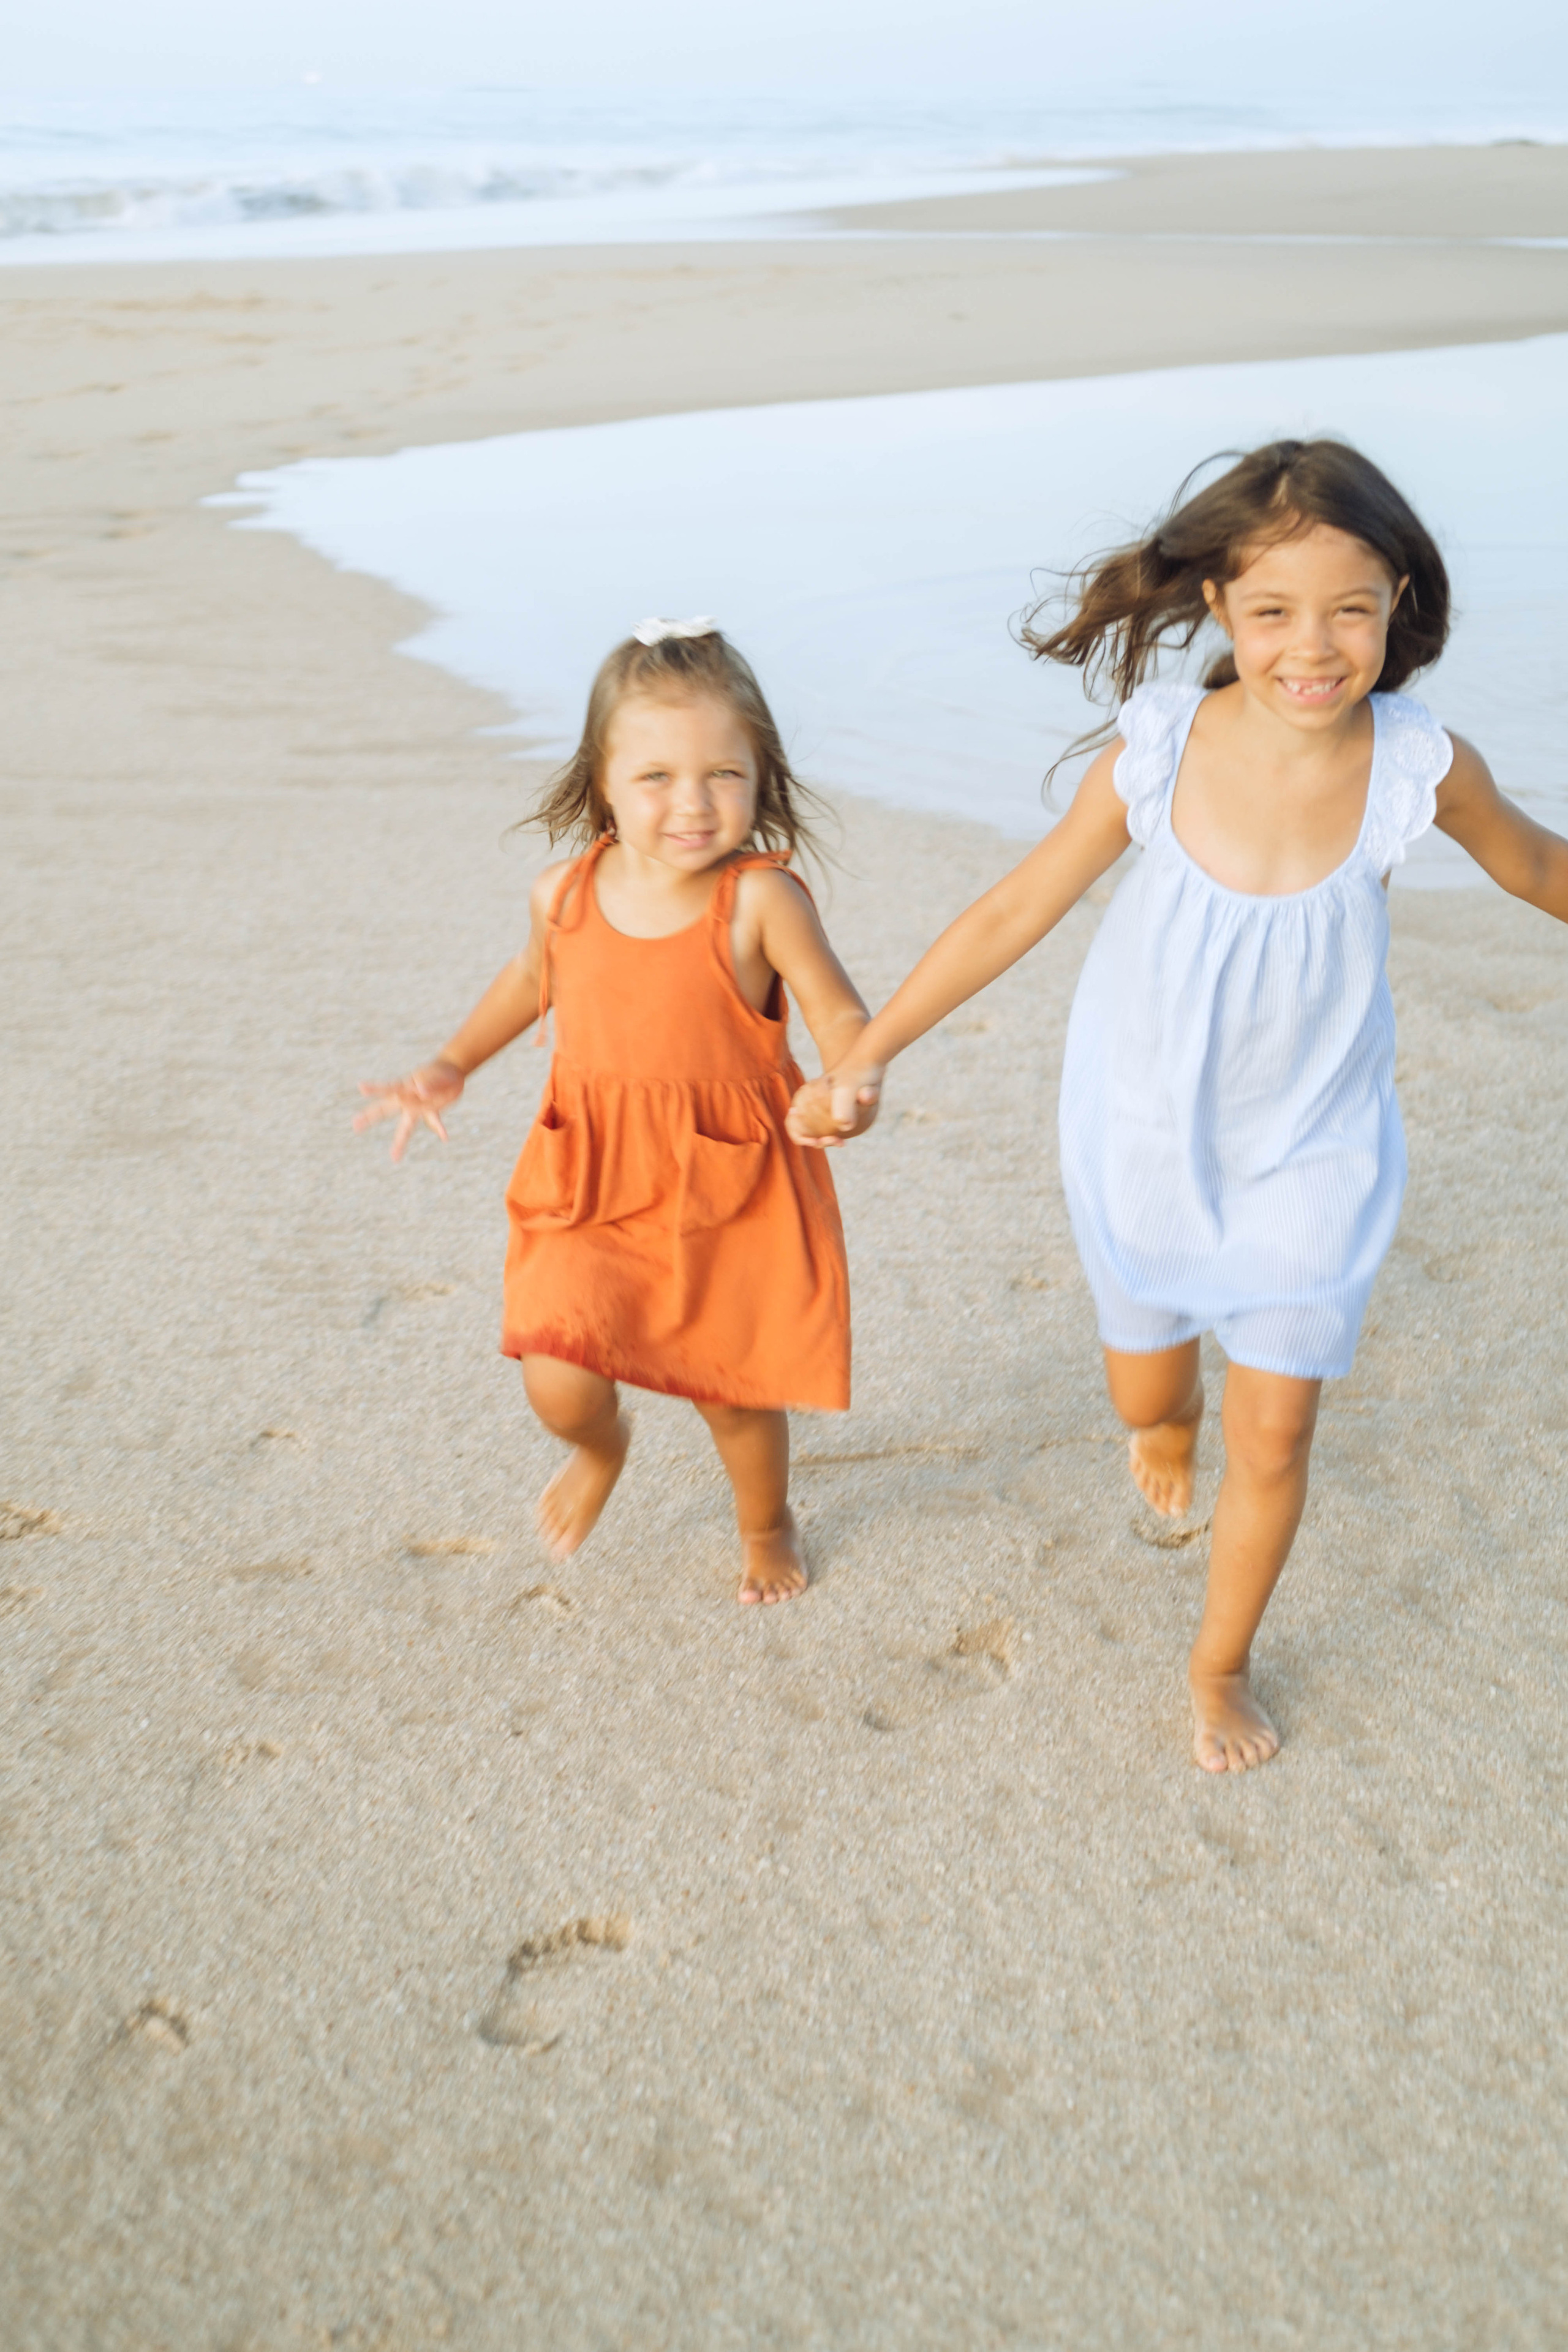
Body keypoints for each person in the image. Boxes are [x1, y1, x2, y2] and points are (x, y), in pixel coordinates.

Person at [790, 439, 1568, 1768]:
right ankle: (1163, 1424)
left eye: (1347, 609)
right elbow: (1014, 908)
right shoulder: (1156, 749)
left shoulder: (1414, 764)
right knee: (1147, 1389)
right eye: (1270, 612)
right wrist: (869, 1051)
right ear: (1214, 608)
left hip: (1311, 1152)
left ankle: (1217, 1667)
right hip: (1143, 1134)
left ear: (1395, 599)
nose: (1309, 647)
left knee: (1276, 1435)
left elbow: (1538, 867)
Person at [358, 620, 869, 1605]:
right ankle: (602, 1450)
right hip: (589, 1175)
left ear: (763, 774)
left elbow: (837, 1008)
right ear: (603, 779)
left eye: (725, 773)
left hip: (725, 1186)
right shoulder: (565, 893)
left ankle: (766, 1523)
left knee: (734, 1393)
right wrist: (450, 1062)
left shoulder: (760, 902)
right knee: (557, 1368)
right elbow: (528, 982)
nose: (693, 803)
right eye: (657, 778)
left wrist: (852, 1079)